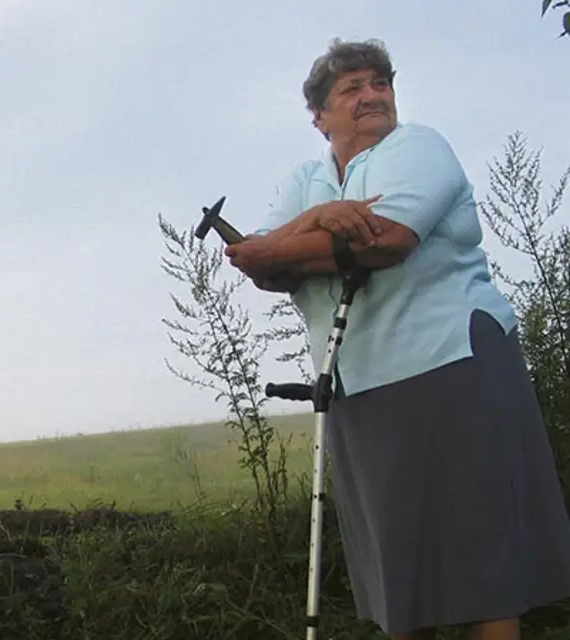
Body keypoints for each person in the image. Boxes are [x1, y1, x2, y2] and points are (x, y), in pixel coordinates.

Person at [224, 39, 570, 639]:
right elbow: (261, 268)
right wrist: (317, 219)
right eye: (351, 89)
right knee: (399, 576)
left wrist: (288, 246)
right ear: (319, 116)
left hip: (450, 361)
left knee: (484, 565)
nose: (371, 96)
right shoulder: (306, 179)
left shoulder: (418, 148)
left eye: (379, 83)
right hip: (357, 383)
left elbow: (385, 240)